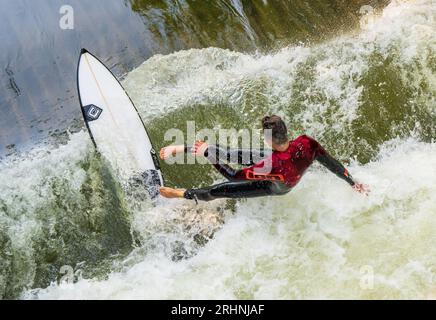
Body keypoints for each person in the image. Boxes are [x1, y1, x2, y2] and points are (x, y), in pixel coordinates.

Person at [159, 115, 369, 202]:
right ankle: (184, 148)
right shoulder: (307, 143)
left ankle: (180, 193)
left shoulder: (270, 166)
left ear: (268, 138)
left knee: (219, 190)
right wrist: (352, 182)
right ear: (286, 131)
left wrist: (207, 155)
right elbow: (332, 164)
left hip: (274, 186)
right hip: (280, 165)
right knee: (234, 154)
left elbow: (232, 175)